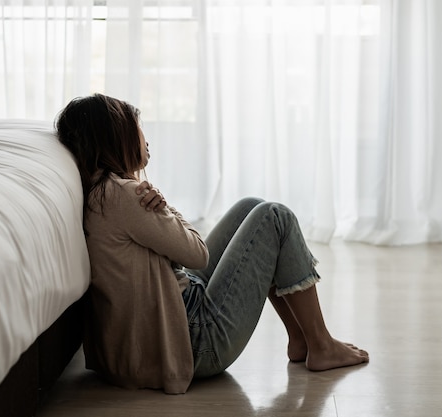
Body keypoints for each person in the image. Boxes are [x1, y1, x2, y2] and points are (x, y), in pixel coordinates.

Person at [54, 93, 369, 394]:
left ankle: (301, 339)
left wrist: (155, 199)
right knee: (275, 217)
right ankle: (322, 344)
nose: (145, 138)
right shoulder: (125, 195)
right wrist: (164, 205)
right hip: (194, 340)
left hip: (178, 308)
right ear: (117, 139)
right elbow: (197, 253)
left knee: (251, 205)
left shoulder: (103, 193)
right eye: (137, 129)